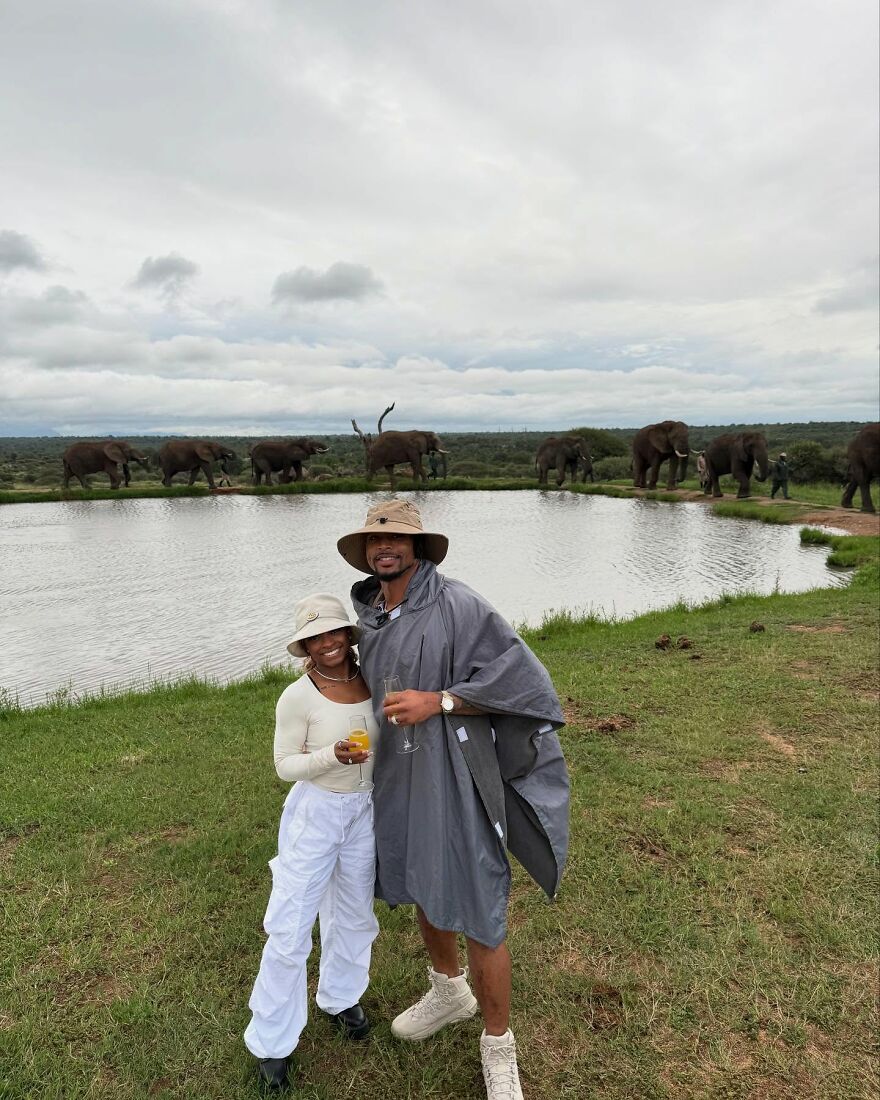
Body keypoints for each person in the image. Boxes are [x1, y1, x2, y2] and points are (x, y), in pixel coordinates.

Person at [337, 500, 570, 1100]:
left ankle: (499, 1048)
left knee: (478, 897)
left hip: (456, 771)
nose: (383, 548)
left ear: (419, 548)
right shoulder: (368, 615)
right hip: (395, 773)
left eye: (396, 540)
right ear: (366, 551)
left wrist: (438, 701)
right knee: (420, 875)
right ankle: (449, 991)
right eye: (374, 540)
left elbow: (527, 682)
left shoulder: (458, 604)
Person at [244, 594, 380, 1092]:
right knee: (291, 923)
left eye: (335, 633)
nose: (328, 644)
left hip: (365, 811)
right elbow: (285, 766)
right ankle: (272, 1042)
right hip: (316, 812)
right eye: (316, 637)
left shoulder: (373, 682)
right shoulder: (297, 696)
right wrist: (329, 757)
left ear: (348, 635)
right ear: (305, 645)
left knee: (354, 912)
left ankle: (341, 997)